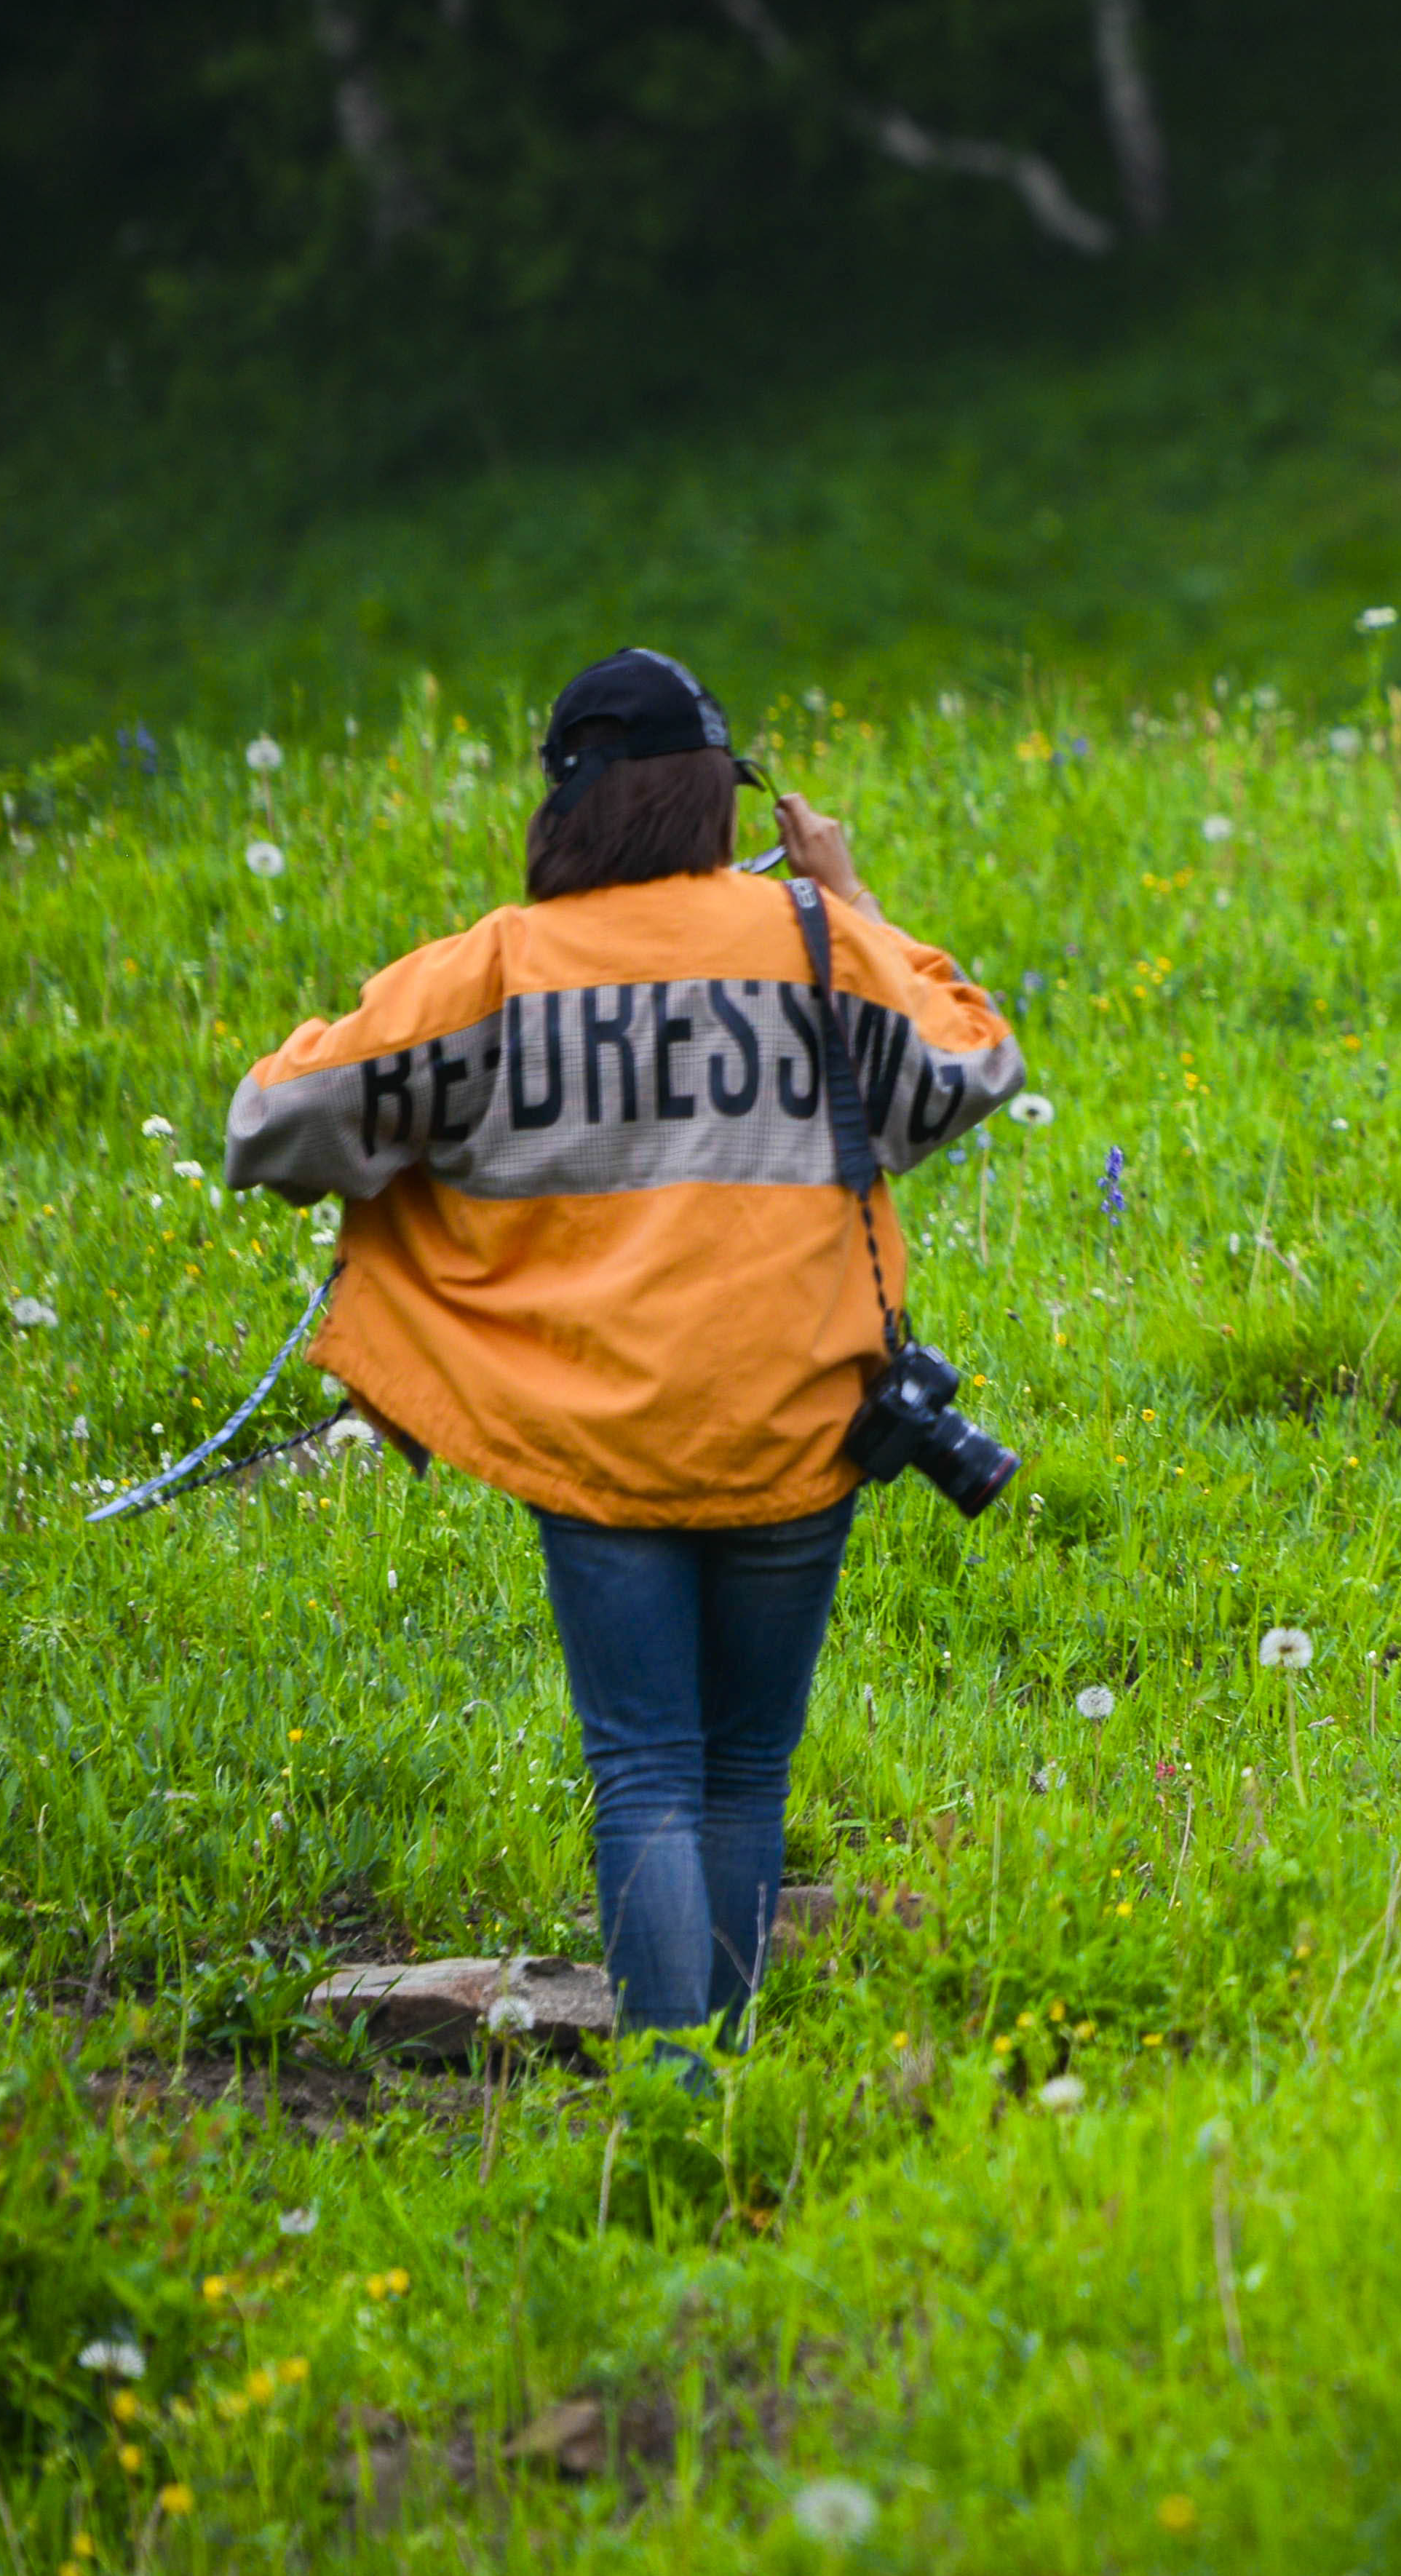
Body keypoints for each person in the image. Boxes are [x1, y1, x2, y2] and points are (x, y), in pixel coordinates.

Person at [220, 648, 1020, 2045]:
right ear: (722, 798)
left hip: (594, 1445)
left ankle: (669, 2090)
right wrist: (846, 896)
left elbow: (268, 1127)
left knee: (644, 1768)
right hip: (799, 1422)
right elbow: (970, 1065)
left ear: (569, 808)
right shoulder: (815, 946)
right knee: (745, 1773)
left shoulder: (498, 972)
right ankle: (729, 2071)